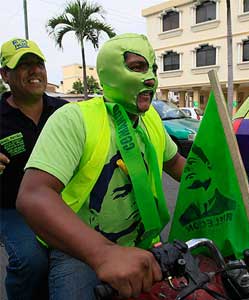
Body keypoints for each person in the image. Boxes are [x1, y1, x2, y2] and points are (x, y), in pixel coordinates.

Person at [16, 33, 186, 300]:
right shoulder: (74, 119)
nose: (151, 78)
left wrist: (227, 183)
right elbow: (33, 195)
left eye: (152, 68)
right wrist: (103, 253)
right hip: (79, 250)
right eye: (137, 67)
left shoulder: (151, 118)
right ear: (110, 71)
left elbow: (177, 164)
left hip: (141, 245)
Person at [0, 38, 67, 300]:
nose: (34, 71)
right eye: (24, 65)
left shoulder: (64, 112)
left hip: (62, 203)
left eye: (38, 63)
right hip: (12, 208)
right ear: (5, 74)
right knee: (31, 260)